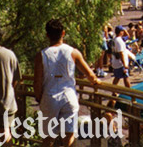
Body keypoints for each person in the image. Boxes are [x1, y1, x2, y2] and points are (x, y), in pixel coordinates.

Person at [34, 19, 101, 147]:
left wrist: (39, 97)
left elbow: (37, 81)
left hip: (49, 97)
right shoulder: (73, 52)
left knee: (48, 138)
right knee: (69, 137)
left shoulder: (41, 55)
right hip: (68, 96)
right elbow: (90, 75)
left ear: (47, 35)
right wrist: (96, 81)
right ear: (63, 33)